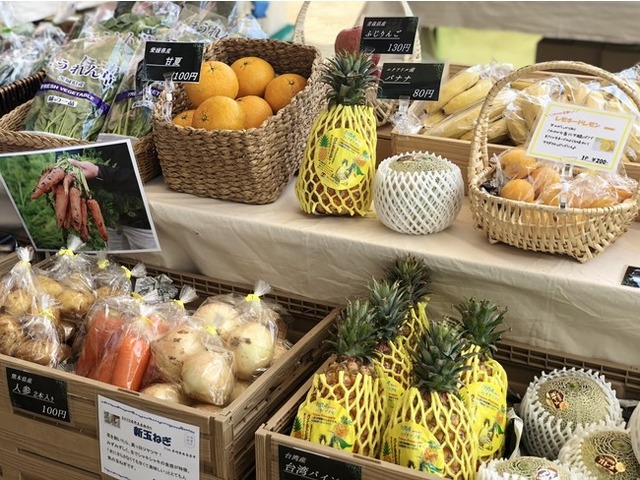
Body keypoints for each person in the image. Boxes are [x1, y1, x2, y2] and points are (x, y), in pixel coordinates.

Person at [68, 158, 157, 251]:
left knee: (148, 257)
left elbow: (140, 176)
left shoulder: (144, 158)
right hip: (108, 219)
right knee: (117, 257)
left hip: (140, 220)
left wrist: (99, 171)